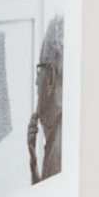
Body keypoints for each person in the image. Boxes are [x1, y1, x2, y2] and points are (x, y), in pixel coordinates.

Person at [26, 16, 66, 185]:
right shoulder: (56, 135)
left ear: (50, 77)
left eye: (39, 71)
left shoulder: (58, 150)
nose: (36, 82)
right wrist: (33, 161)